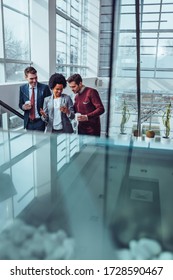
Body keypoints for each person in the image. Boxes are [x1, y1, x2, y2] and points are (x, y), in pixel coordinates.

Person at [19, 66, 51, 131]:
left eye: (36, 78)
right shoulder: (22, 88)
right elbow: (20, 103)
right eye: (31, 78)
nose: (34, 81)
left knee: (40, 141)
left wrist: (45, 114)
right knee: (30, 141)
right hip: (28, 122)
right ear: (26, 78)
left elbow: (50, 104)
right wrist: (23, 107)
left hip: (40, 121)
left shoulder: (44, 88)